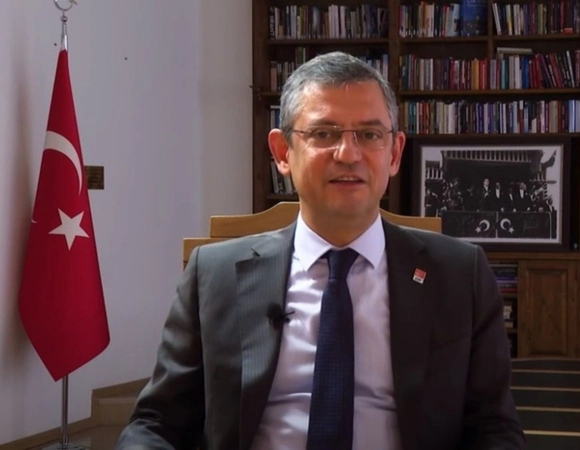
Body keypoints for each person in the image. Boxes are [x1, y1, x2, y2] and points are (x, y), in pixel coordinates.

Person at [115, 51, 525, 450]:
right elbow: (156, 423)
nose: (348, 154)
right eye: (324, 134)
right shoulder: (214, 274)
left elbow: (494, 428)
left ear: (395, 153)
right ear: (282, 153)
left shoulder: (460, 275)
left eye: (369, 135)